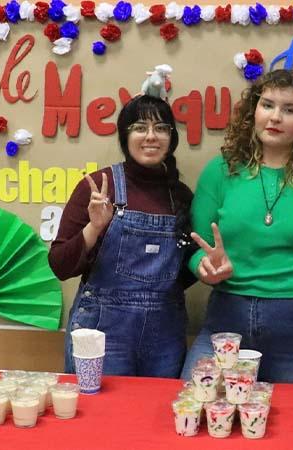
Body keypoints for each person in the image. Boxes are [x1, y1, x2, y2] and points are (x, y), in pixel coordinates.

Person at [180, 69, 293, 384]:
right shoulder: (220, 172)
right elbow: (197, 247)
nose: (275, 117)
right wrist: (204, 267)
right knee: (200, 403)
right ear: (253, 111)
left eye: (290, 110)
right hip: (227, 316)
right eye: (267, 105)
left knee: (291, 415)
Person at [48, 94, 195, 377]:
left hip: (164, 336)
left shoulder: (181, 196)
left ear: (171, 138)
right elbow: (60, 266)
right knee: (100, 406)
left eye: (161, 128)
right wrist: (94, 228)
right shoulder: (99, 188)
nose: (151, 136)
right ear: (124, 136)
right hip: (102, 332)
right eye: (140, 127)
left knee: (160, 406)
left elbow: (187, 268)